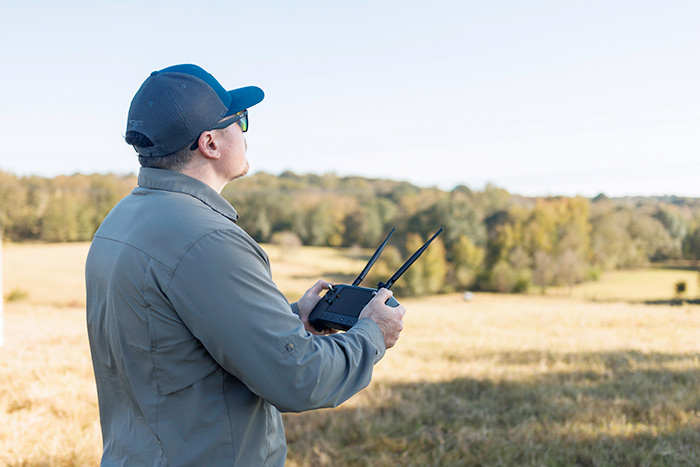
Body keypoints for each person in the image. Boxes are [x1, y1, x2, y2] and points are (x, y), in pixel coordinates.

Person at [85, 64, 406, 466]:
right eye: (239, 121)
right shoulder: (207, 239)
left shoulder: (119, 222)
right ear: (211, 144)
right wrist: (373, 333)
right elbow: (299, 379)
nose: (246, 132)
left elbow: (170, 345)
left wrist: (288, 321)